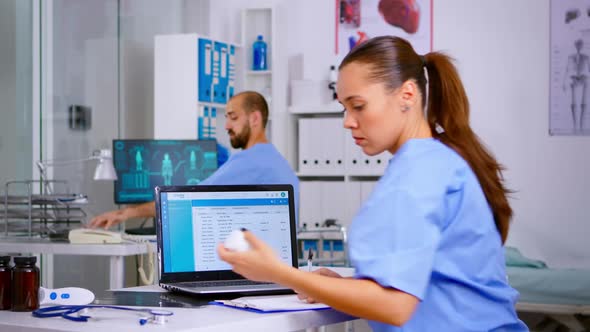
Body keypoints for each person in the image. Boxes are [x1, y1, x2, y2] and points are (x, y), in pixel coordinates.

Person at [218, 36, 527, 331]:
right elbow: (430, 286)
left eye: (359, 106)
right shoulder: (436, 159)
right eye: (344, 107)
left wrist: (279, 273)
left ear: (407, 95)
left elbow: (395, 306)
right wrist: (337, 286)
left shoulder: (419, 171)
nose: (348, 121)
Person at [89, 91, 299, 229]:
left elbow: (184, 199)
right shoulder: (271, 156)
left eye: (233, 117)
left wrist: (124, 214)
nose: (226, 126)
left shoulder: (251, 160)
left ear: (254, 119)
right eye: (225, 118)